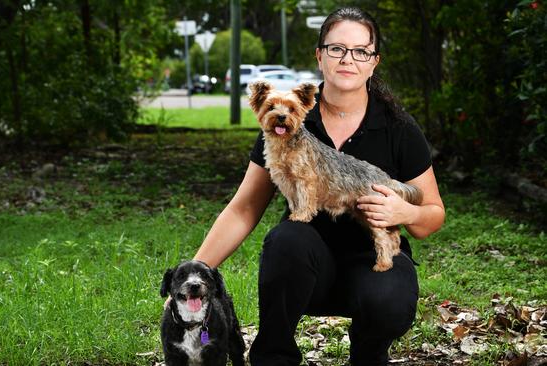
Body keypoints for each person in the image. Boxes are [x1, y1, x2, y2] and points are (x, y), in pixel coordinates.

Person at [190, 6, 445, 366]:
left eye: (361, 51)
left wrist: (407, 211)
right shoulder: (284, 122)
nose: (348, 59)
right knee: (286, 239)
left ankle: (370, 355)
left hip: (372, 265)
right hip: (304, 265)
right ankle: (274, 357)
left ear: (374, 62)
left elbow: (433, 215)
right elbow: (244, 209)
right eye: (337, 48)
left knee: (389, 298)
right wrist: (195, 273)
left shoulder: (398, 128)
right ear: (320, 55)